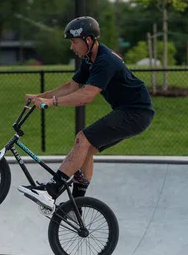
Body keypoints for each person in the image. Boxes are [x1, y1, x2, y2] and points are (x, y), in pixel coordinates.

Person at [19, 16, 155, 211]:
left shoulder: (105, 61)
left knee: (82, 139)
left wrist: (51, 102)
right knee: (86, 148)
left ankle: (51, 191)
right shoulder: (89, 59)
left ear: (88, 40)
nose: (72, 47)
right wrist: (39, 96)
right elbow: (72, 87)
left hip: (136, 113)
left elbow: (86, 95)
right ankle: (76, 207)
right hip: (129, 112)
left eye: (74, 42)